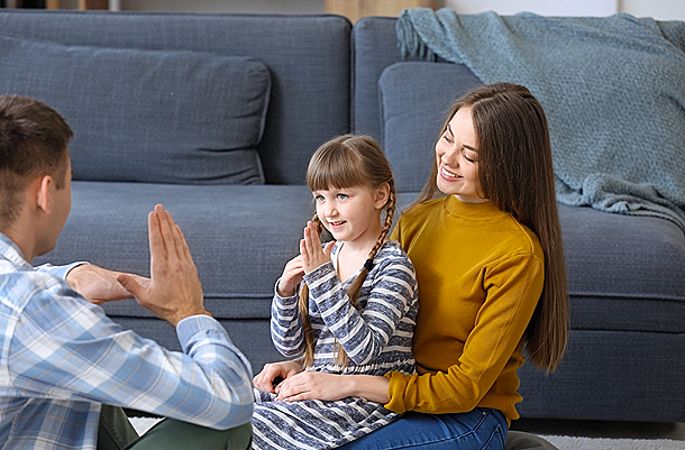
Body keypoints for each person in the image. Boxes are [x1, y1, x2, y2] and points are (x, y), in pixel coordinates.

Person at [252, 83, 569, 450]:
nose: (447, 159)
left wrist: (345, 384)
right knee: (268, 422)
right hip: (393, 399)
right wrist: (309, 369)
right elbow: (375, 327)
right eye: (447, 138)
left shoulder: (517, 254)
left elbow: (464, 389)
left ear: (505, 164)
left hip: (467, 417)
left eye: (469, 154)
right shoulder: (417, 220)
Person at [0, 95, 254, 449]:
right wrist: (189, 312)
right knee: (221, 424)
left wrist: (68, 276)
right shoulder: (35, 310)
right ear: (44, 193)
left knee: (76, 382)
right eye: (68, 181)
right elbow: (229, 398)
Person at [251, 135, 419, 449]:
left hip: (360, 400)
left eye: (342, 196)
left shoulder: (394, 267)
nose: (329, 210)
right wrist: (286, 292)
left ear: (379, 195)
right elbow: (290, 346)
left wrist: (322, 279)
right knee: (226, 404)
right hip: (316, 382)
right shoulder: (325, 255)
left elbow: (364, 350)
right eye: (320, 197)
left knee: (255, 426)